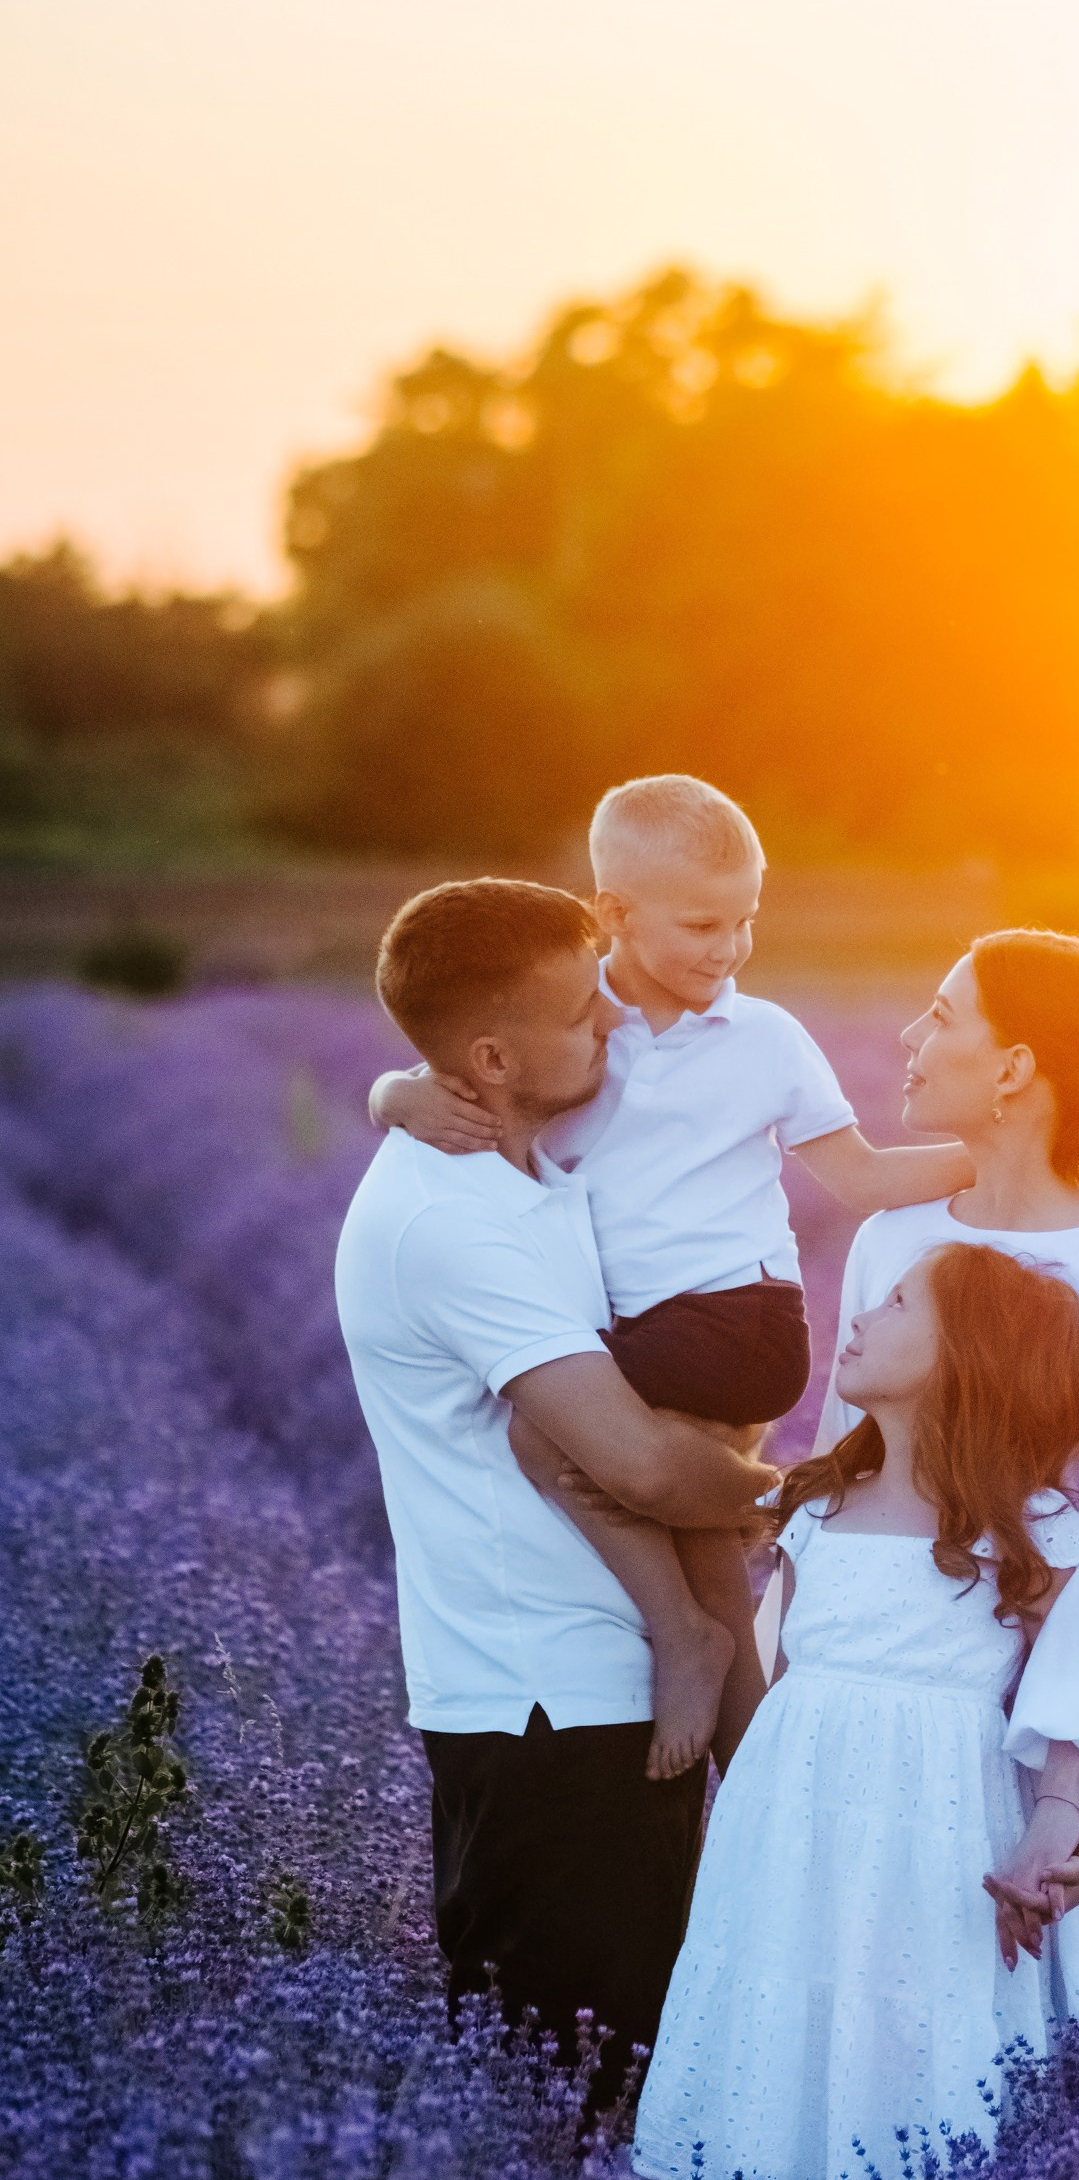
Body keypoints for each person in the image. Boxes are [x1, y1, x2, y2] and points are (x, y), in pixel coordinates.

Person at [368, 775, 972, 1784]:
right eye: (701, 924)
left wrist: (997, 1154)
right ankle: (753, 1769)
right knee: (682, 1525)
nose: (728, 948)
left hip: (738, 1319)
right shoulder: (573, 1031)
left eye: (744, 921)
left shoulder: (765, 1038)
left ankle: (693, 1635)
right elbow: (460, 1070)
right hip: (644, 1327)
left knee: (546, 1433)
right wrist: (393, 1095)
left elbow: (860, 1173)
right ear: (613, 915)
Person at [334, 877, 771, 2109]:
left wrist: (393, 1088)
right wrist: (799, 1496)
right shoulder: (451, 1221)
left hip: (598, 1691)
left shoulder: (533, 1160)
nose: (614, 1029)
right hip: (547, 1711)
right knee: (570, 2101)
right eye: (585, 1014)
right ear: (490, 1055)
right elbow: (628, 1462)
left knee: (637, 2086)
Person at [631, 1241, 1079, 2180]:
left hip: (933, 1827)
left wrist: (1053, 1826)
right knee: (786, 1985)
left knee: (911, 2004)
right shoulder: (815, 1507)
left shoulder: (1029, 1530)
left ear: (969, 1359)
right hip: (795, 1818)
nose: (860, 1315)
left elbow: (1075, 1703)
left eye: (896, 1304)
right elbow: (793, 1676)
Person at [812, 928, 1079, 2032]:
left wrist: (1063, 1813)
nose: (909, 1035)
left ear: (1014, 1068)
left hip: (1037, 1753)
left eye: (942, 1015)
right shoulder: (890, 1239)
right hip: (873, 1741)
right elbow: (840, 1483)